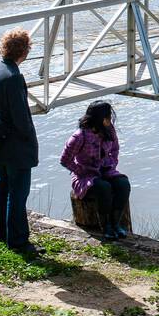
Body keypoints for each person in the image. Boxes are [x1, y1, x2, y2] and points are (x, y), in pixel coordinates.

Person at [0, 28, 39, 254]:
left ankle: (1, 232)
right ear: (24, 51)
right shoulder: (15, 77)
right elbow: (21, 118)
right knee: (18, 193)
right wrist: (29, 137)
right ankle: (18, 240)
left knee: (2, 186)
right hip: (16, 144)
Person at [60, 101, 130, 241]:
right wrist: (80, 170)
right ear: (100, 118)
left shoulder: (109, 130)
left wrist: (112, 164)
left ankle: (115, 223)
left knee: (123, 184)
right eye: (108, 116)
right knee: (104, 188)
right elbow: (65, 159)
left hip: (105, 170)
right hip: (85, 176)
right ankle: (106, 226)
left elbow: (115, 149)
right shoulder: (79, 136)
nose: (110, 119)